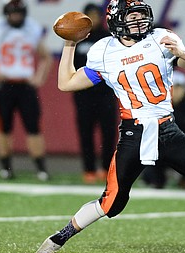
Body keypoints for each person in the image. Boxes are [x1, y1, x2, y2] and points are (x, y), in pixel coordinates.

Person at [35, 1, 185, 253]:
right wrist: (70, 44)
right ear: (116, 20)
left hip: (168, 130)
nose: (139, 21)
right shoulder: (103, 51)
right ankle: (56, 241)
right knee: (111, 202)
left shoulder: (161, 38)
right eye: (132, 16)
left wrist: (184, 54)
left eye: (141, 15)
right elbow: (66, 83)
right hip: (135, 133)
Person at [0, 0, 52, 181]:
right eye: (13, 13)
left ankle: (41, 168)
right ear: (6, 14)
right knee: (3, 127)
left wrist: (39, 77)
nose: (16, 16)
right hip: (3, 84)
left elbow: (46, 56)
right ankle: (6, 167)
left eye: (19, 13)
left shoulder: (32, 28)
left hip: (25, 84)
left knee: (33, 126)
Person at [73, 3, 118, 184]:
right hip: (84, 95)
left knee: (108, 133)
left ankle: (107, 168)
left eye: (95, 15)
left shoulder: (109, 39)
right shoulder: (77, 38)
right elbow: (71, 68)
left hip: (105, 93)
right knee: (86, 132)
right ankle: (89, 169)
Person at [142, 69, 185, 189]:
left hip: (184, 147)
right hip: (163, 147)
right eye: (172, 87)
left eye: (178, 87)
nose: (175, 91)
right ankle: (155, 179)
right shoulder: (158, 108)